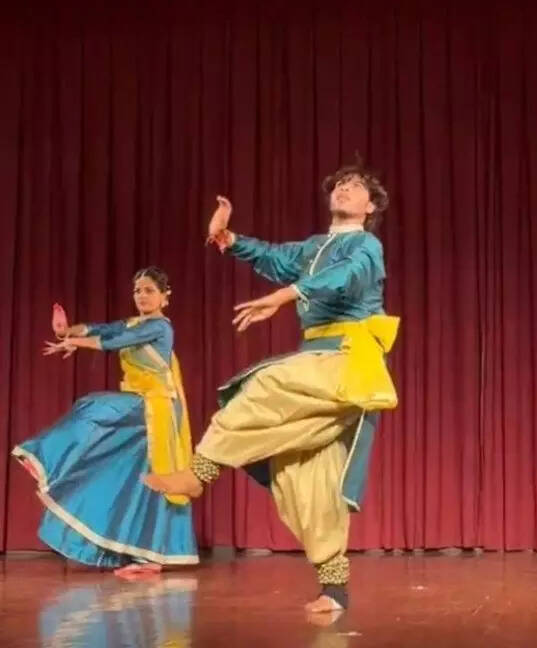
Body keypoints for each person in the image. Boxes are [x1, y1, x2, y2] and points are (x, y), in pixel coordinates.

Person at [143, 161, 398, 613]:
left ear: (370, 205)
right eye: (339, 184)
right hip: (319, 356)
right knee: (307, 478)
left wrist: (287, 296)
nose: (344, 189)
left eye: (355, 186)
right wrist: (229, 239)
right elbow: (275, 258)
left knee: (266, 382)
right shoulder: (316, 247)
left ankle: (200, 474)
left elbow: (346, 277)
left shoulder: (366, 245)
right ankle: (333, 590)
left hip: (348, 359)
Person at [12, 267, 197, 578]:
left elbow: (113, 341)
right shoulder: (134, 322)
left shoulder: (160, 327)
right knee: (142, 480)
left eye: (149, 290)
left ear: (166, 296)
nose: (142, 296)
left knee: (93, 406)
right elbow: (103, 329)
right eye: (137, 290)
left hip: (157, 407)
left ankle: (42, 455)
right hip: (143, 404)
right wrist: (68, 331)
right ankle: (147, 555)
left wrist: (77, 342)